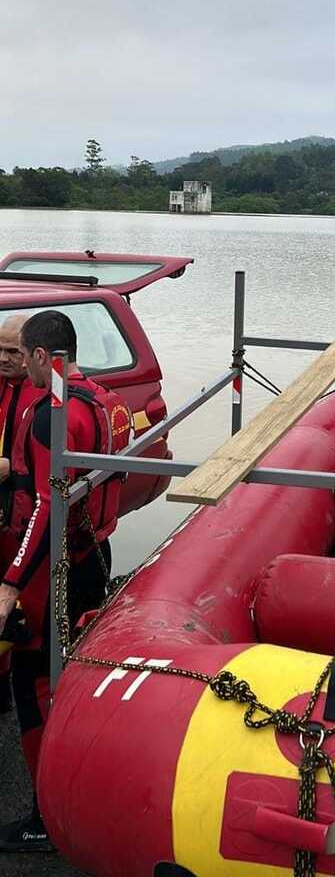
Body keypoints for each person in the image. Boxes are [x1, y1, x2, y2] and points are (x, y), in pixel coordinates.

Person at [0, 310, 131, 853]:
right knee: (67, 675)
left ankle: (45, 815)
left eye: (17, 354)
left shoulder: (51, 415)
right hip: (92, 555)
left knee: (35, 688)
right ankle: (74, 789)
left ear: (39, 356)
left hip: (53, 570)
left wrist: (11, 582)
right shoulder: (105, 399)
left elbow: (44, 508)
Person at [0, 314, 42, 714]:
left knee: (19, 607)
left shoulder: (43, 394)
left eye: (13, 351)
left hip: (22, 518)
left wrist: (9, 468)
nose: (4, 358)